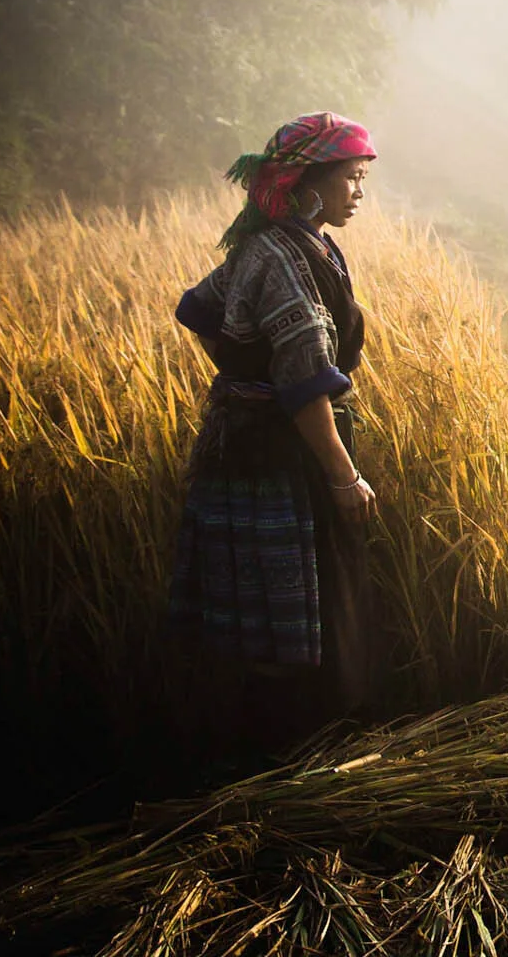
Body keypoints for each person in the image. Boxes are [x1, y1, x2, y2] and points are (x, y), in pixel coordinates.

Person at [165, 111, 381, 752]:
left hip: (247, 448)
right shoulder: (282, 255)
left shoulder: (282, 241)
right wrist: (344, 476)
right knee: (284, 624)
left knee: (258, 613)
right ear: (311, 181)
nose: (360, 193)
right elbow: (305, 385)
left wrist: (241, 374)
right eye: (352, 178)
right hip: (276, 462)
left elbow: (199, 310)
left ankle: (265, 756)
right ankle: (284, 761)